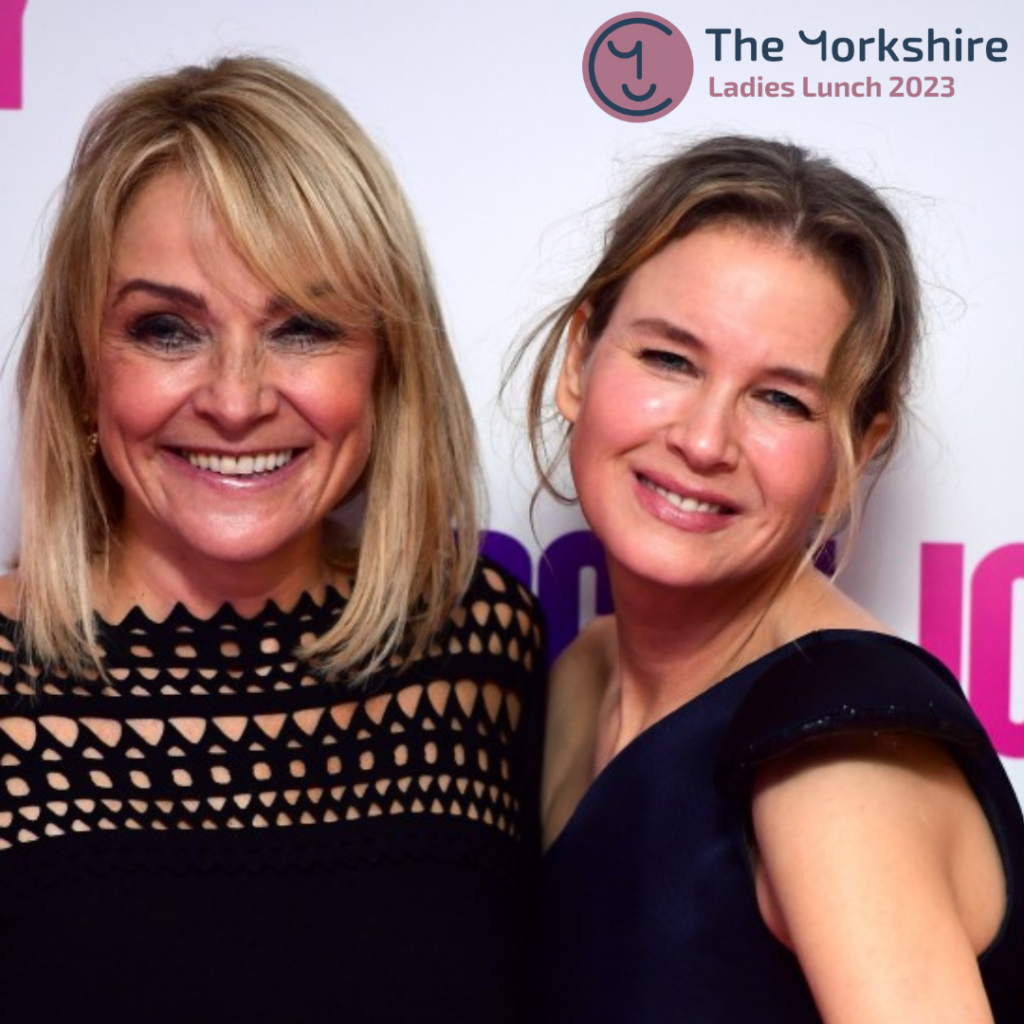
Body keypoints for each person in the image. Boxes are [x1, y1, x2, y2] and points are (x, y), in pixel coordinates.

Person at [0, 56, 544, 1024]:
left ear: (386, 371)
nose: (236, 399)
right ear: (83, 371)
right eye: (167, 329)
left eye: (302, 327)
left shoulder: (480, 645)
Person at [517, 136, 1024, 1022]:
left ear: (854, 451)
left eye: (781, 399)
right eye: (669, 359)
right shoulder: (583, 675)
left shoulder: (836, 753)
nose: (703, 441)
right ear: (577, 360)